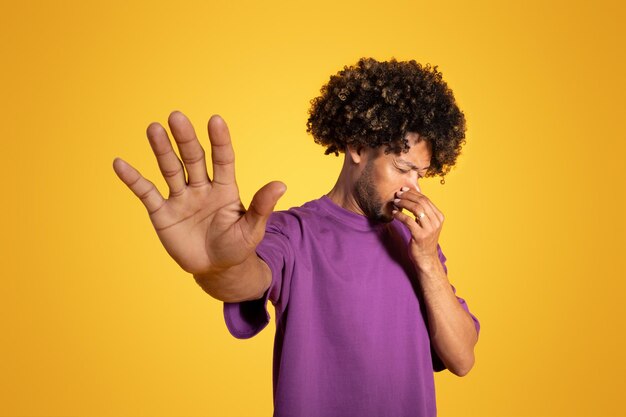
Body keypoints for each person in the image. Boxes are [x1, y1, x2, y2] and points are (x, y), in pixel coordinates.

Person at [113, 57, 480, 417]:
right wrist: (216, 266)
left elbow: (462, 358)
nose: (412, 189)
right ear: (356, 148)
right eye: (402, 168)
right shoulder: (293, 232)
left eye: (421, 175)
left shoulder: (416, 242)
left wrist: (429, 260)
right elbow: (247, 277)